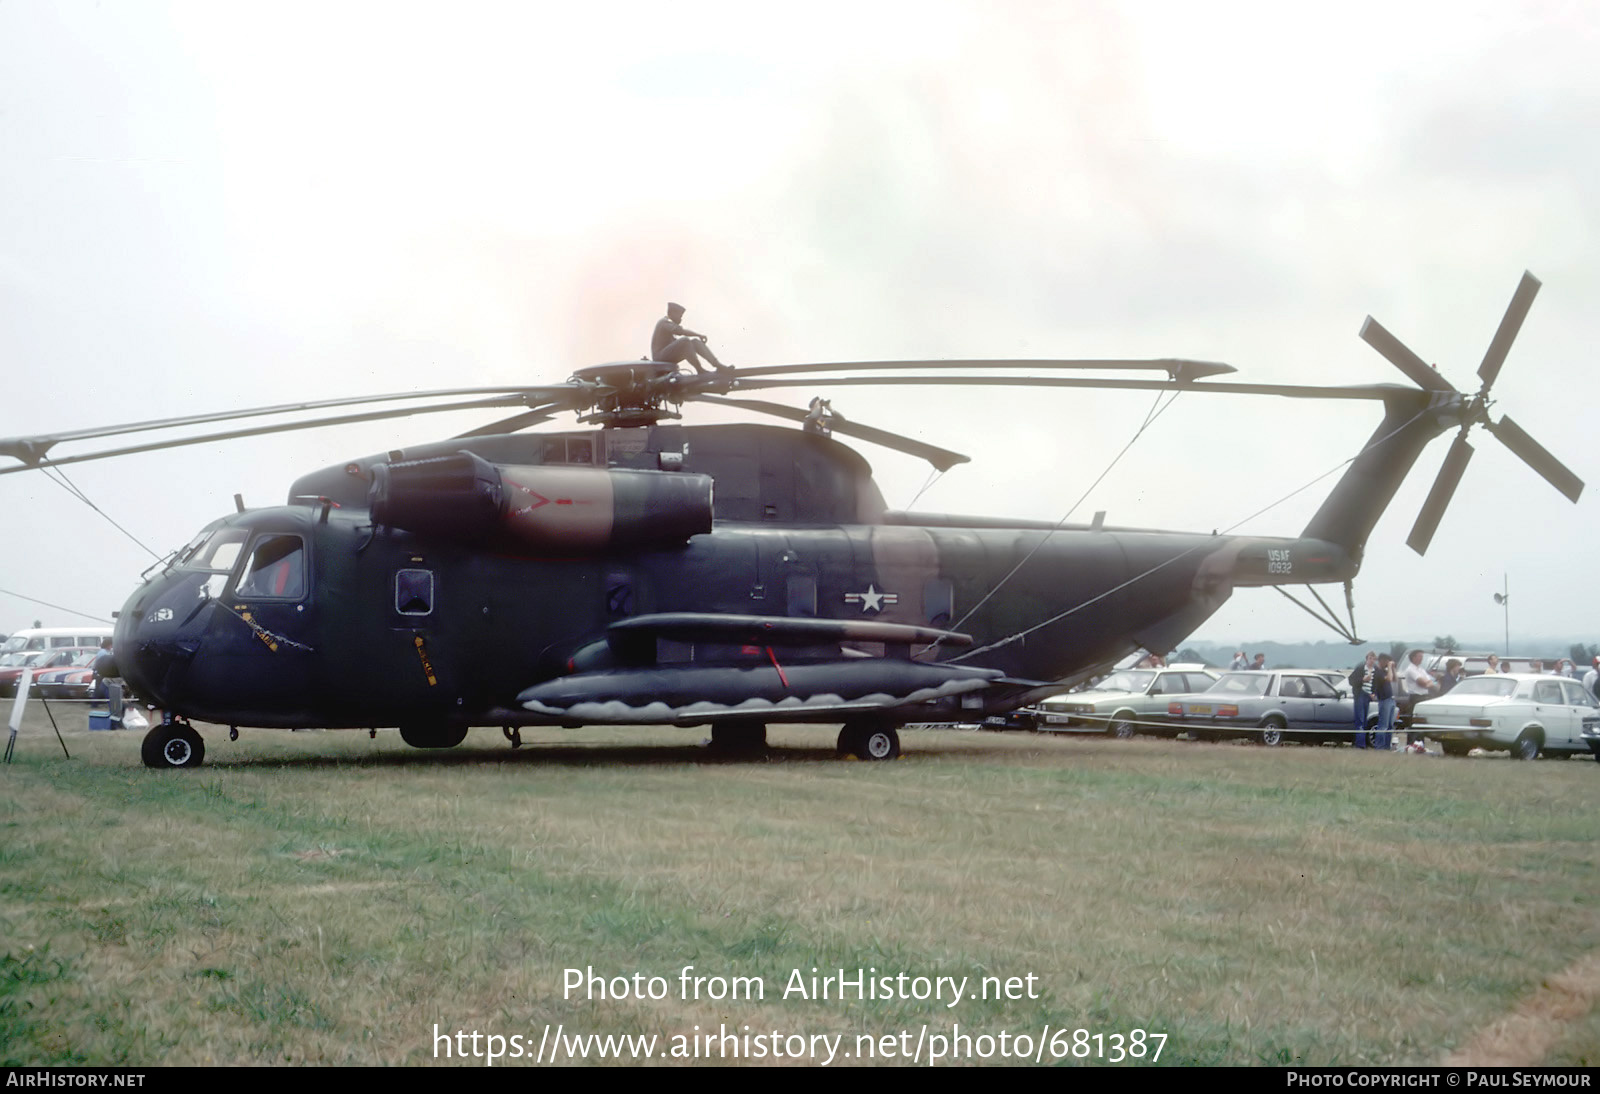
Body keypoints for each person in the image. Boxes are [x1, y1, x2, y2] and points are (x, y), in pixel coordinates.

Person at [650, 302, 729, 374]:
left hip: (666, 356)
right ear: (672, 313)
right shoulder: (664, 322)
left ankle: (717, 365)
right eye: (679, 316)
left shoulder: (669, 324)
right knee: (685, 341)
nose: (681, 319)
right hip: (659, 358)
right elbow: (680, 331)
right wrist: (699, 335)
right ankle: (699, 369)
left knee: (695, 342)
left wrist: (696, 338)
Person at [1397, 649, 1437, 746]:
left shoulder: (1421, 669)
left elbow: (1431, 681)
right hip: (1416, 698)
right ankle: (1412, 744)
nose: (1421, 658)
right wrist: (1428, 683)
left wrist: (1429, 683)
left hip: (1424, 697)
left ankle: (1420, 744)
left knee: (1421, 722)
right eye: (1419, 656)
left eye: (1422, 656)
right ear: (1413, 657)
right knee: (1414, 722)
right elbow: (1423, 683)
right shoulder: (1410, 670)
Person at [1349, 651, 1378, 749]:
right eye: (1370, 658)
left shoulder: (1375, 670)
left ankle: (1363, 743)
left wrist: (1373, 693)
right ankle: (1359, 744)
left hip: (1368, 696)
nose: (1371, 661)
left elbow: (1376, 683)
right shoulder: (1361, 668)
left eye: (1373, 659)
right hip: (1360, 694)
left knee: (1365, 720)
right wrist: (1363, 679)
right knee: (1360, 719)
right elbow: (1351, 680)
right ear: (1366, 659)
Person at [1372, 654, 1397, 750]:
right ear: (1382, 660)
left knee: (1390, 726)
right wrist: (1390, 667)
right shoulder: (1378, 672)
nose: (1388, 663)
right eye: (1387, 661)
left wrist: (1393, 668)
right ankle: (1379, 746)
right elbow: (1389, 678)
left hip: (1391, 699)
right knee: (1383, 725)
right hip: (1384, 700)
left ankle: (1387, 746)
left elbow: (1395, 679)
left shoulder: (1384, 671)